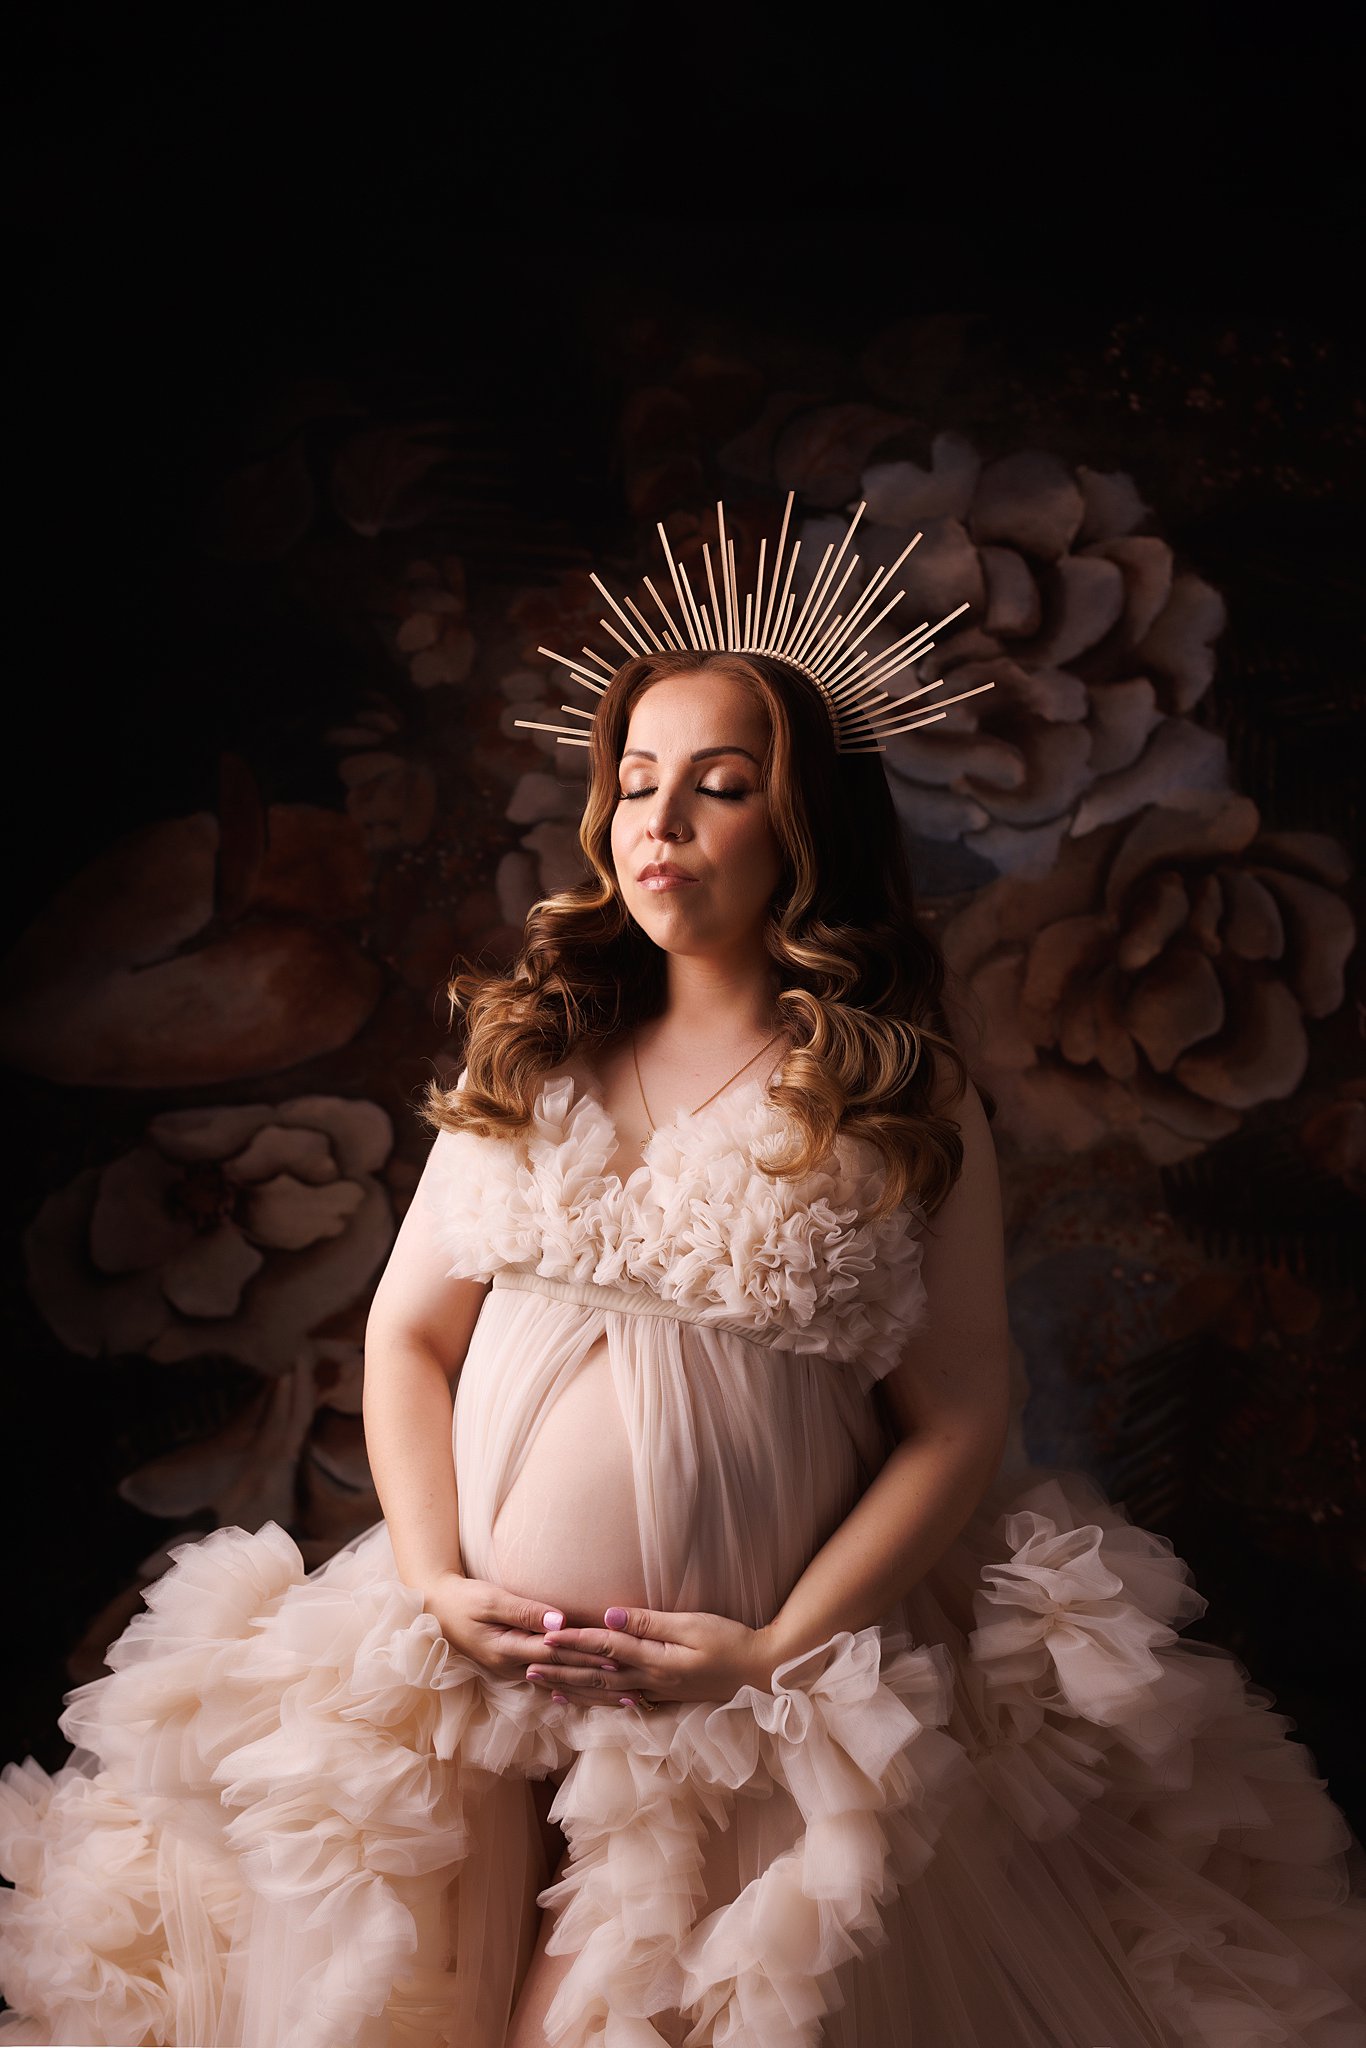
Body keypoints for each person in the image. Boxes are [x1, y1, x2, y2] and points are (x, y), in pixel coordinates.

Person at [2, 507, 1365, 2048]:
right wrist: (439, 1578)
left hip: (736, 1701)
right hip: (471, 1674)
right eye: (636, 785)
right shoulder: (535, 1057)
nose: (660, 823)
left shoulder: (893, 1102)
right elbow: (407, 1345)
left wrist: (775, 1651)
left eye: (720, 789)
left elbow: (958, 1419)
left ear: (801, 830)